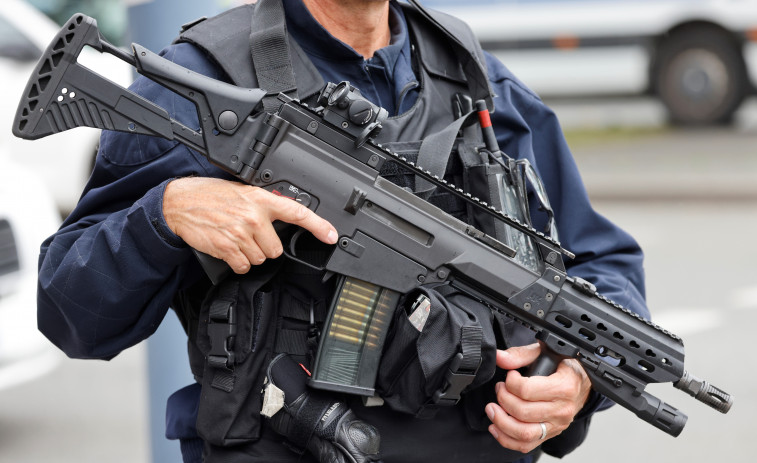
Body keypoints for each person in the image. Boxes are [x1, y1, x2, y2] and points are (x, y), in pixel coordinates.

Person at [36, 0, 649, 462]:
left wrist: (577, 381)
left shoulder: (475, 81)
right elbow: (68, 307)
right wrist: (167, 212)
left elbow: (598, 264)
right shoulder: (207, 76)